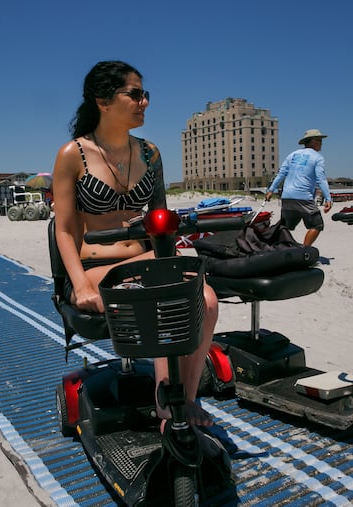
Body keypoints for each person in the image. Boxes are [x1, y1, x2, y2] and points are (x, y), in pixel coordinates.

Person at [52, 61, 217, 428]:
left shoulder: (150, 154)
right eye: (135, 94)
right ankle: (166, 406)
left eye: (145, 94)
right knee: (160, 301)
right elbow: (63, 230)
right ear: (103, 101)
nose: (144, 102)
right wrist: (78, 285)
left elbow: (162, 221)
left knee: (206, 301)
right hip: (95, 267)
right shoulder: (72, 155)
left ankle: (185, 398)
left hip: (147, 256)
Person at [265, 129, 333, 246]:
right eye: (319, 140)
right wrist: (328, 198)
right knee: (317, 225)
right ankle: (304, 251)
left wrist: (271, 190)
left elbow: (281, 173)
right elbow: (320, 179)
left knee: (285, 227)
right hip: (303, 197)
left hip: (286, 197)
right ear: (312, 141)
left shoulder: (292, 155)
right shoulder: (318, 157)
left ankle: (279, 249)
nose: (321, 143)